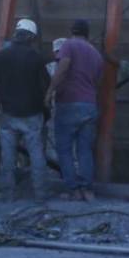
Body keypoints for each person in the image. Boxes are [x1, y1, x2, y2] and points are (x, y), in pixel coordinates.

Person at [0, 18, 49, 201]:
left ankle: (8, 195)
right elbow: (46, 84)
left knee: (8, 157)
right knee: (37, 155)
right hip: (32, 113)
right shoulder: (36, 57)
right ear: (31, 37)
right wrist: (45, 106)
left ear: (16, 34)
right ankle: (40, 195)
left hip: (7, 114)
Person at [48, 18, 103, 200]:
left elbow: (63, 69)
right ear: (87, 33)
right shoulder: (96, 53)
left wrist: (49, 91)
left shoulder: (68, 45)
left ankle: (73, 190)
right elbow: (96, 81)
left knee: (64, 149)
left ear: (72, 31)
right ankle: (88, 189)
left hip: (69, 103)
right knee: (84, 150)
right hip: (90, 105)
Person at [44, 38, 66, 166]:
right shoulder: (48, 67)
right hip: (54, 109)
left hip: (65, 108)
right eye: (58, 51)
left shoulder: (49, 68)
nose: (59, 54)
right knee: (52, 141)